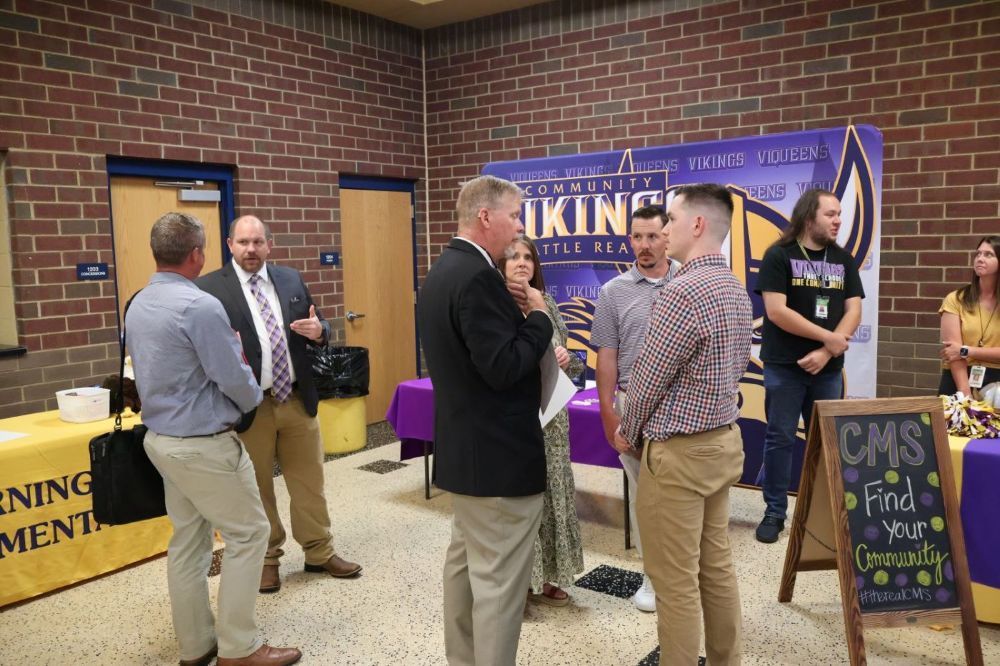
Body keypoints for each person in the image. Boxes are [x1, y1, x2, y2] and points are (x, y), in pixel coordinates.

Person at [127, 212, 301, 666]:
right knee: (250, 533)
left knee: (188, 540)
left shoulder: (140, 302)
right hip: (204, 444)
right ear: (198, 254)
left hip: (163, 440)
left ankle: (197, 644)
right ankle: (240, 648)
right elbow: (239, 383)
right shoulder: (199, 306)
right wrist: (249, 391)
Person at [416, 175, 554, 666]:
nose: (519, 224)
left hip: (468, 452)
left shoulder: (444, 269)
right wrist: (539, 319)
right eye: (515, 214)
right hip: (497, 459)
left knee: (464, 570)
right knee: (497, 587)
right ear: (486, 217)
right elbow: (503, 368)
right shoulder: (476, 277)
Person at [616, 184, 752, 666]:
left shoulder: (683, 291)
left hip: (678, 456)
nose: (664, 230)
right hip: (721, 444)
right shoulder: (736, 287)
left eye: (670, 220)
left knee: (674, 583)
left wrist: (626, 431)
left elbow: (648, 380)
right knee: (716, 568)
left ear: (697, 225)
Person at [197, 215, 361, 594]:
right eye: (243, 243)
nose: (251, 250)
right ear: (229, 244)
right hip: (250, 406)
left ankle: (319, 551)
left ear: (269, 244)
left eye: (257, 242)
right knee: (256, 488)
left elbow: (318, 325)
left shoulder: (289, 279)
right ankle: (267, 559)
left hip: (297, 399)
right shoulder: (210, 290)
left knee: (310, 483)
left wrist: (322, 332)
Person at [753, 188, 864, 544]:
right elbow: (776, 311)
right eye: (830, 214)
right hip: (784, 366)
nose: (838, 220)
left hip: (827, 370)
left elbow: (854, 310)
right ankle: (774, 512)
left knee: (826, 442)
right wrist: (827, 338)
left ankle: (825, 510)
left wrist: (828, 351)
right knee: (780, 437)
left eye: (839, 214)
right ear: (808, 216)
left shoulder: (843, 259)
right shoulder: (778, 255)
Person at [590, 204, 679, 612]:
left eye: (652, 236)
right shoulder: (613, 292)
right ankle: (652, 576)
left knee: (682, 497)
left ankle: (684, 574)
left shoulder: (690, 281)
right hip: (633, 405)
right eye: (637, 237)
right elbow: (606, 356)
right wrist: (610, 413)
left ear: (668, 236)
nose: (644, 245)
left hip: (683, 408)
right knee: (645, 497)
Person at [499, 236, 585, 608]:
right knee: (523, 502)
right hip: (517, 419)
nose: (521, 263)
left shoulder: (546, 302)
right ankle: (522, 583)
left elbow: (574, 362)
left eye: (527, 257)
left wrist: (568, 358)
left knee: (555, 497)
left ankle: (552, 575)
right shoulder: (498, 306)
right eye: (513, 257)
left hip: (553, 421)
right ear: (500, 266)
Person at [940, 235, 1000, 397]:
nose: (980, 259)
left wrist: (967, 351)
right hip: (958, 378)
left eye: (988, 255)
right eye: (978, 254)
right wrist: (965, 394)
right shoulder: (955, 299)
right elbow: (953, 352)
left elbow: (959, 350)